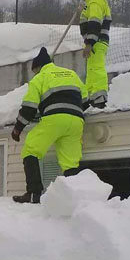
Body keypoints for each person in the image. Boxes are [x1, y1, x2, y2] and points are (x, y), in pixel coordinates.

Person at [11, 47, 89, 204]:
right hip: (76, 121)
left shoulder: (39, 78)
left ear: (38, 67)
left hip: (55, 118)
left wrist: (18, 128)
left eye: (35, 71)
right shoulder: (72, 74)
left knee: (31, 149)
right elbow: (86, 100)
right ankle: (74, 198)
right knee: (70, 161)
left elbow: (29, 107)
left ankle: (34, 193)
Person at [79, 0, 112, 108]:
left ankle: (99, 98)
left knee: (96, 69)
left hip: (96, 41)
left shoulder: (96, 2)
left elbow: (94, 23)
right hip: (95, 42)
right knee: (92, 69)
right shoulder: (90, 3)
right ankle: (90, 97)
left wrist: (89, 43)